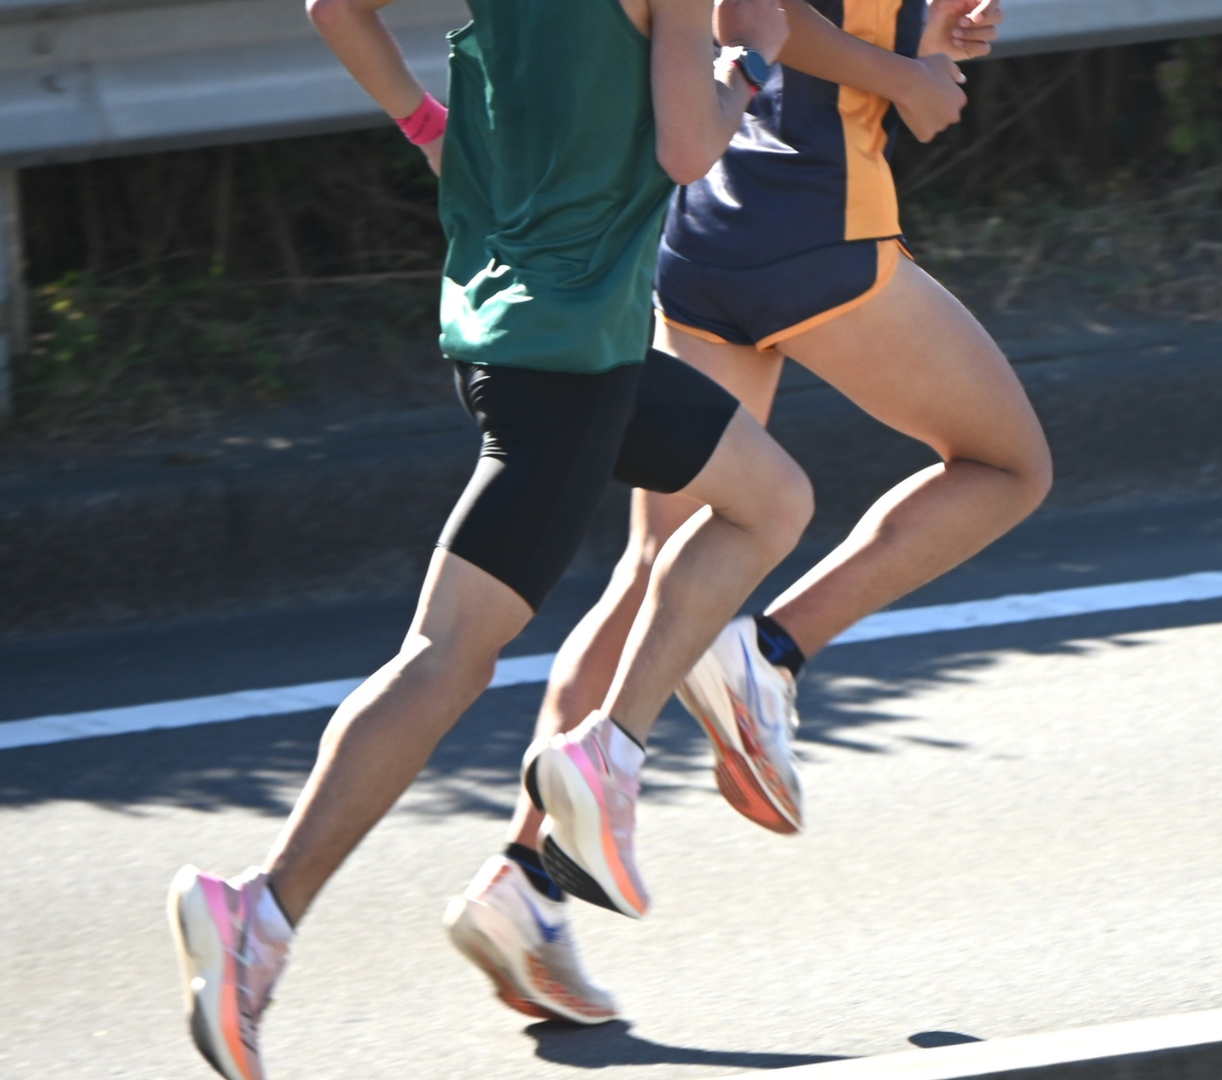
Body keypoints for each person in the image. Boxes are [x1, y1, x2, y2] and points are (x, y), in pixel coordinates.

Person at [165, 0, 809, 1075]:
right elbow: (690, 150)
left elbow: (335, 6)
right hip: (567, 358)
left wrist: (428, 127)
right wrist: (750, 59)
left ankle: (606, 750)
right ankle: (259, 917)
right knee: (448, 655)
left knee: (771, 498)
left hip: (527, 319)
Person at [443, 0, 1052, 1021]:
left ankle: (526, 883)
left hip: (707, 230)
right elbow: (756, 11)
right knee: (1006, 467)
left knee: (657, 567)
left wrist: (931, 35)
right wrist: (900, 76)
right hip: (814, 228)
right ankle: (768, 652)